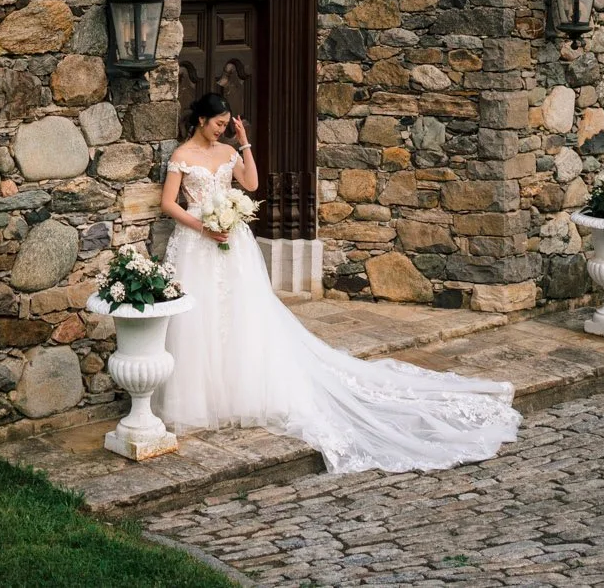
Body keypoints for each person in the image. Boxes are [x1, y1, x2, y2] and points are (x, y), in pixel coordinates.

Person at [153, 92, 519, 473]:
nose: (222, 129)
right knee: (201, 318)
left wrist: (243, 142)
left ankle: (239, 393)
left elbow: (252, 183)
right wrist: (204, 226)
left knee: (242, 315)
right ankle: (203, 398)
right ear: (201, 120)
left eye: (227, 124)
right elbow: (169, 203)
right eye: (219, 124)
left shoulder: (228, 151)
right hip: (198, 242)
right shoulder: (183, 155)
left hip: (232, 240)